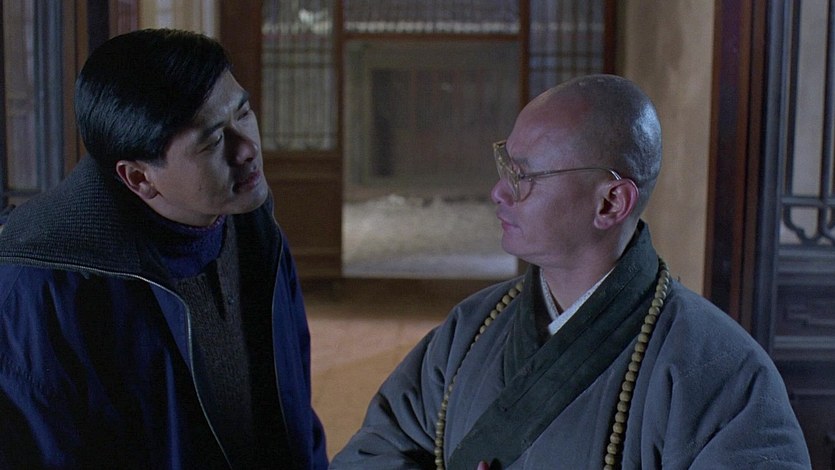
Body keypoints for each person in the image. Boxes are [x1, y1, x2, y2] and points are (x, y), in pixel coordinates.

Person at [329, 74, 811, 469]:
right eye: (504, 165)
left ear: (611, 202)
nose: (498, 192)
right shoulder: (470, 330)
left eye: (522, 176)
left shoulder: (720, 372)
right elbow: (374, 452)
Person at [0, 29, 327, 469]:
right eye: (213, 141)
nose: (248, 149)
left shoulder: (254, 227)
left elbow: (294, 412)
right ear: (139, 178)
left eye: (243, 113)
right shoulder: (37, 290)